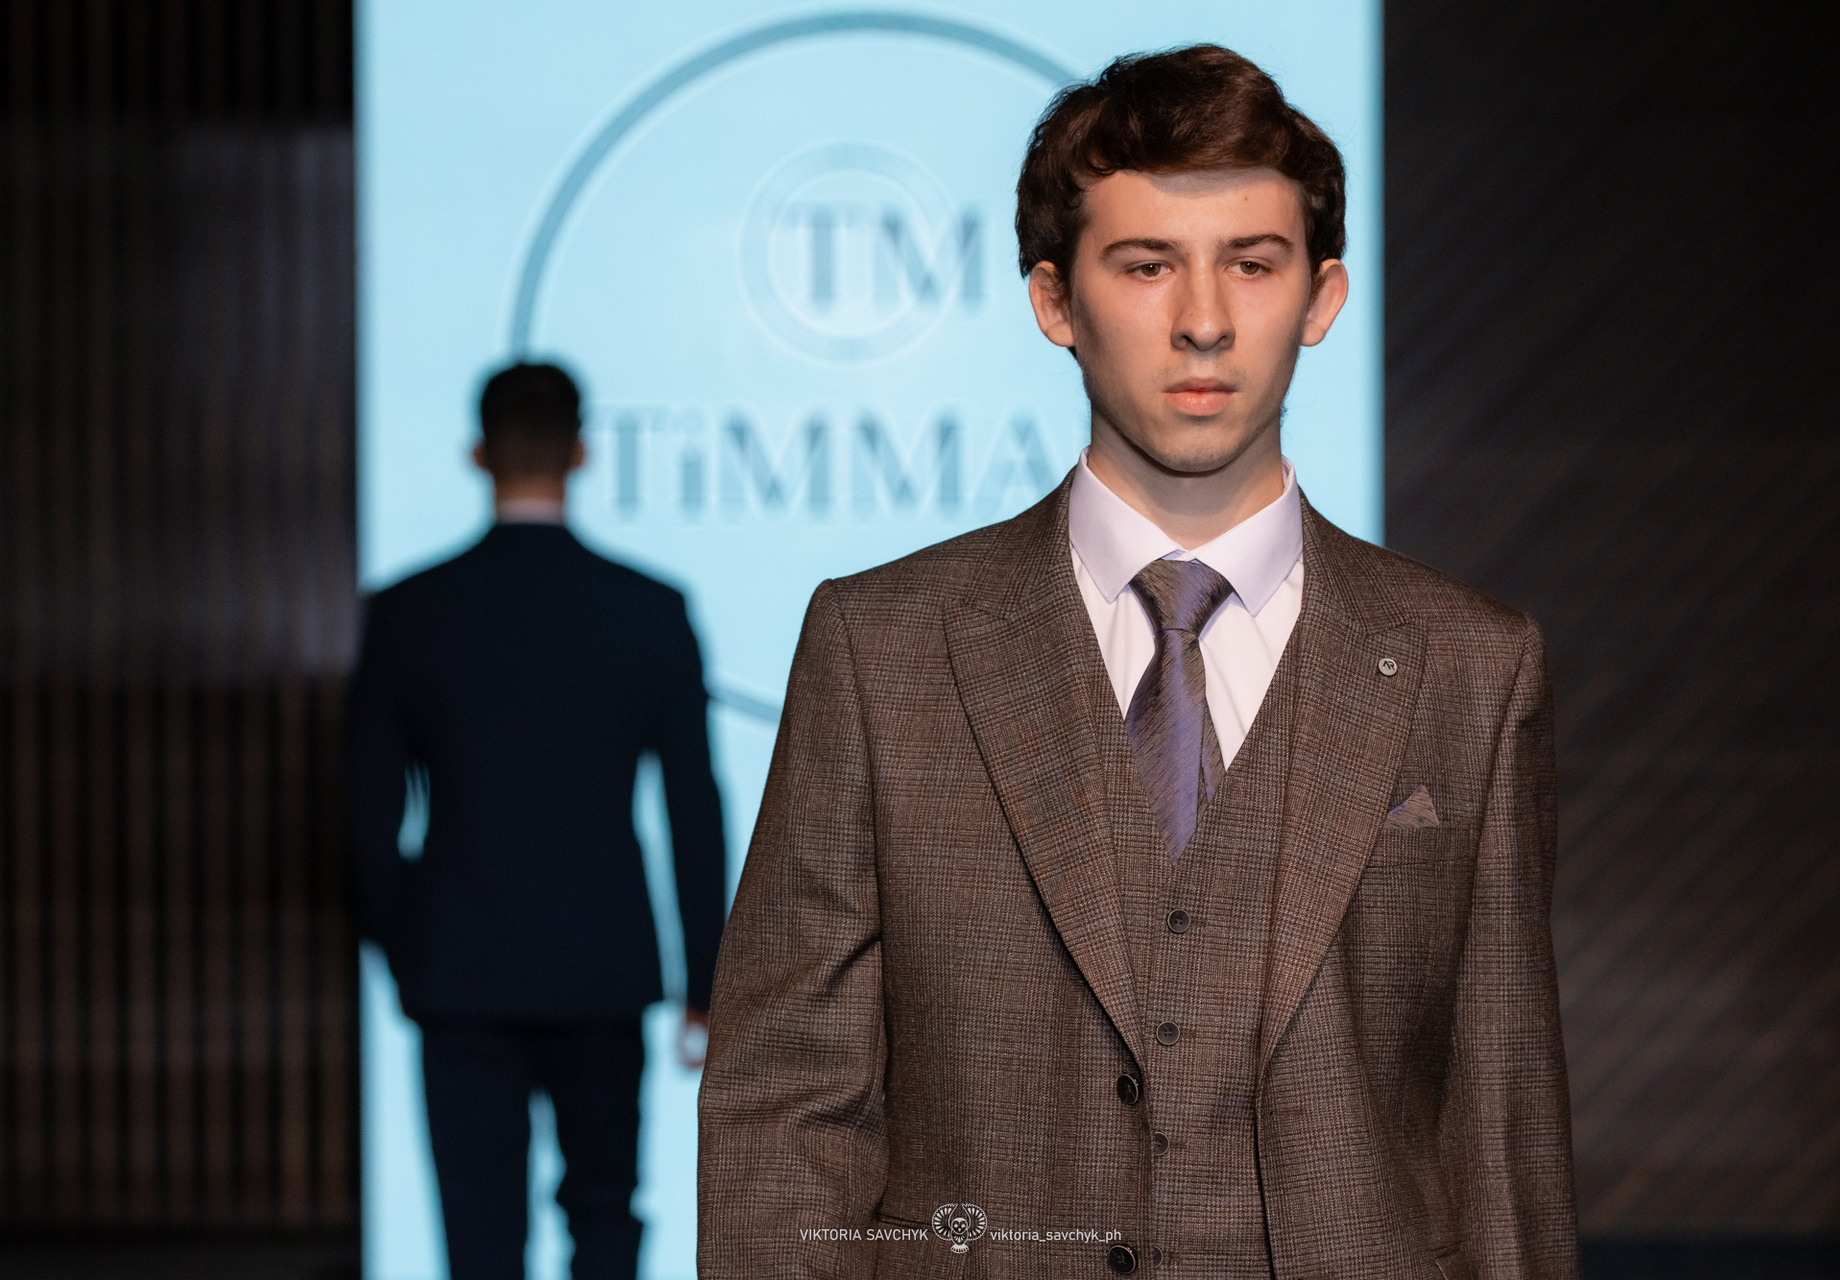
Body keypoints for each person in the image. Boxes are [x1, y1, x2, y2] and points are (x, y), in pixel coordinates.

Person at [698, 45, 1576, 1279]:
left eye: (1252, 264)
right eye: (1147, 264)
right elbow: (788, 1113)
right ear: (1055, 301)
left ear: (1322, 297)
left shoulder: (1470, 667)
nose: (1204, 319)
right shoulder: (882, 648)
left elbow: (1502, 1138)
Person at [351, 362, 726, 1280]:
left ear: (478, 453)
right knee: (605, 1215)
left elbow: (364, 812)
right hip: (601, 967)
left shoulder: (409, 612)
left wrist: (408, 946)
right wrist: (705, 981)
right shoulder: (647, 610)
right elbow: (692, 804)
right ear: (582, 453)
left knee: (479, 1235)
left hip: (461, 969)